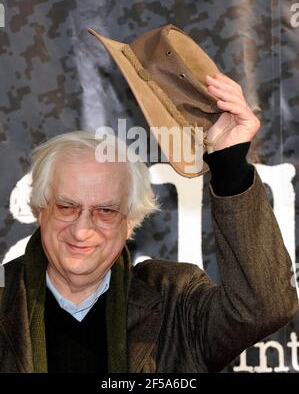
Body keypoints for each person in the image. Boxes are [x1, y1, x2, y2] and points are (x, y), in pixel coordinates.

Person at [0, 73, 297, 373]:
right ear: (40, 210)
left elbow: (263, 307)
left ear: (129, 222)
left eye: (105, 211)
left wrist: (230, 163)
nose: (81, 230)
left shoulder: (175, 301)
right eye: (66, 207)